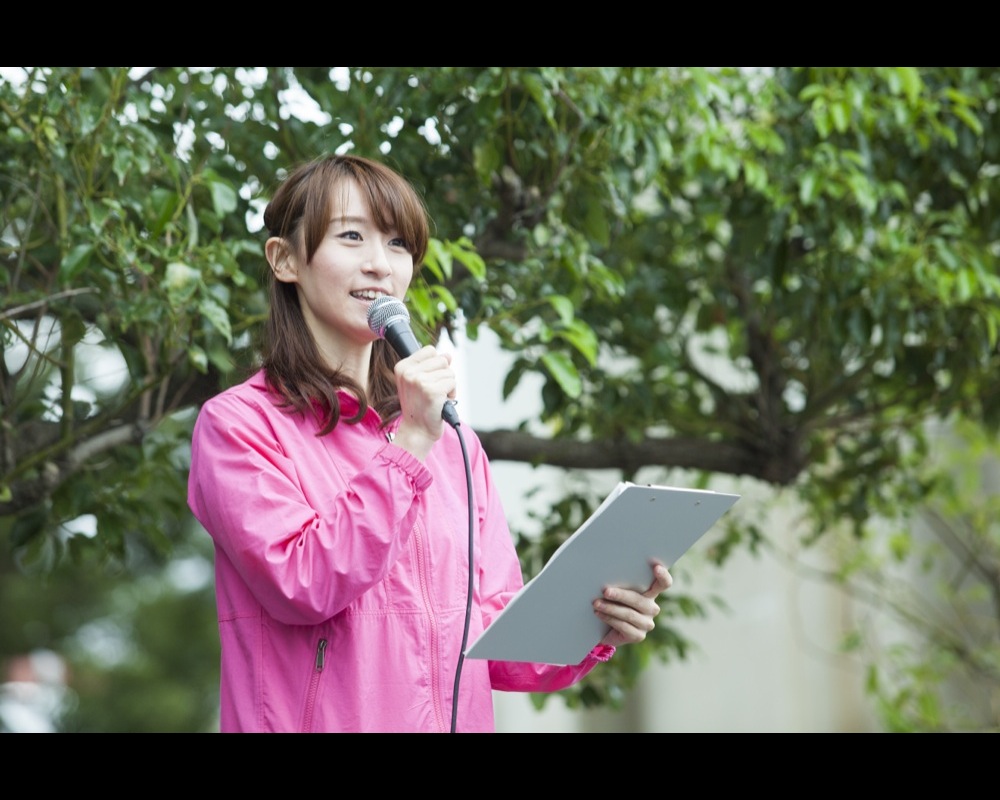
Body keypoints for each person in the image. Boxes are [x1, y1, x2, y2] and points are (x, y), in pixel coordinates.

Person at [187, 154, 672, 733]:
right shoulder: (239, 424)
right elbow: (303, 584)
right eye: (351, 236)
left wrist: (592, 622)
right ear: (285, 259)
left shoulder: (453, 443)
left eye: (397, 244)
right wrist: (412, 443)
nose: (379, 264)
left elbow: (493, 636)